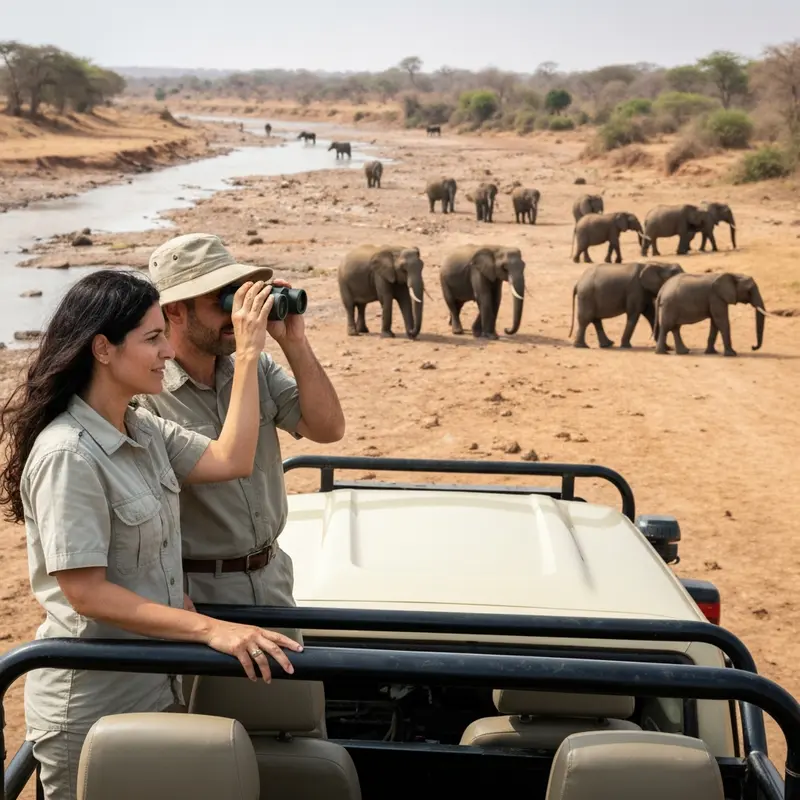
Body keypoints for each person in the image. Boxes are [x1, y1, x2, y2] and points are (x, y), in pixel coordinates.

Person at [0, 269, 303, 800]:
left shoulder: (143, 428)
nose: (168, 350)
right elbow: (86, 592)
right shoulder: (68, 452)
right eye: (152, 338)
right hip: (94, 701)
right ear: (103, 349)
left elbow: (232, 457)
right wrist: (208, 628)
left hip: (154, 680)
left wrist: (253, 355)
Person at [136, 232, 345, 621]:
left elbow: (328, 428)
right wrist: (249, 350)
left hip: (273, 577)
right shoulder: (146, 395)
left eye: (241, 292)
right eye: (224, 299)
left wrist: (294, 342)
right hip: (199, 591)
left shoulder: (254, 370)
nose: (238, 312)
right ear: (176, 311)